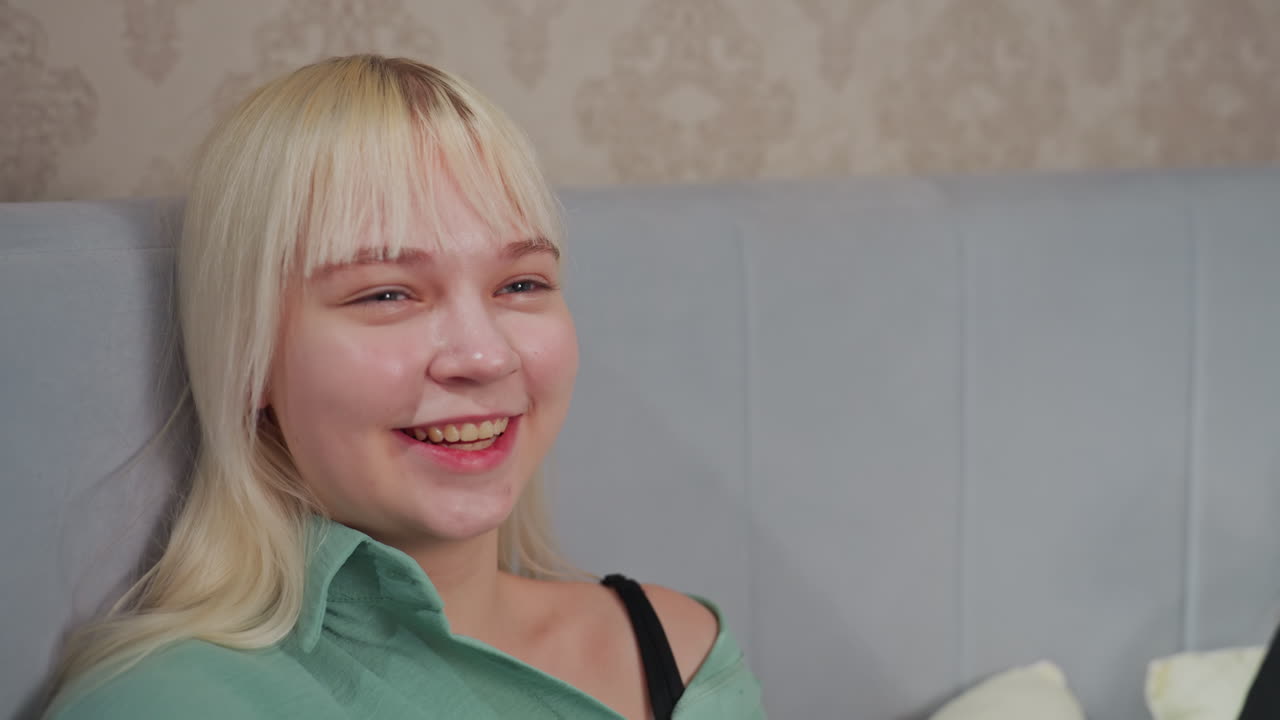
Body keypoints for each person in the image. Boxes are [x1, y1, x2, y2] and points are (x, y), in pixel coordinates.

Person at [45, 55, 765, 720]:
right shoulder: (167, 703)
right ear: (250, 356)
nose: (484, 356)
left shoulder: (681, 647)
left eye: (520, 283)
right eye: (387, 295)